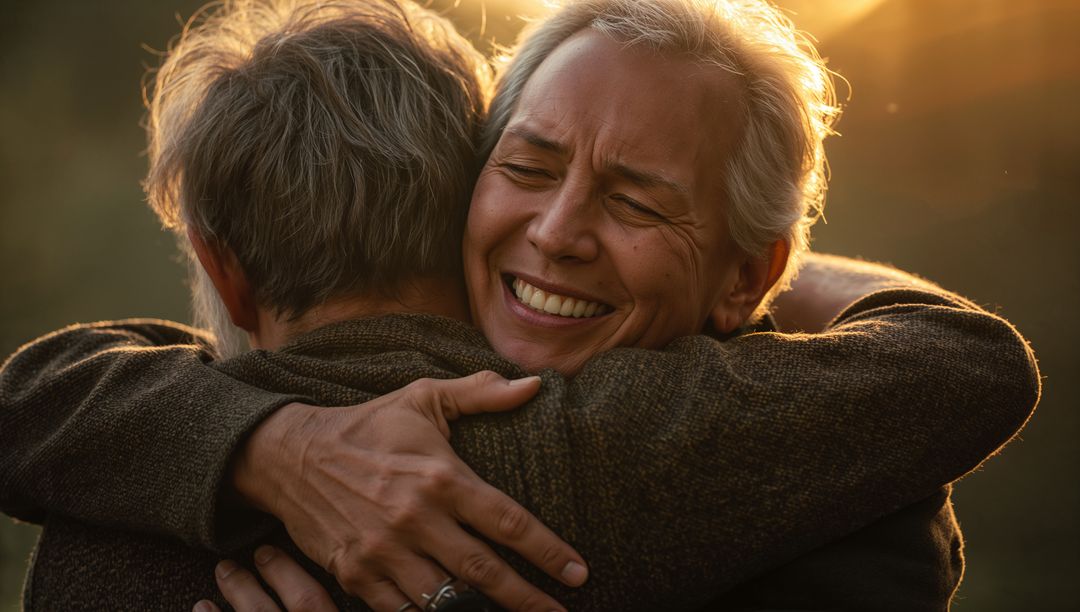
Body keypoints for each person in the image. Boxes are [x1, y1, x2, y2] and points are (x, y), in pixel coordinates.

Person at [0, 0, 1038, 610]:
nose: (555, 234)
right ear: (463, 186)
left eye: (638, 202)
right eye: (531, 168)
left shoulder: (99, 508)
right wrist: (271, 445)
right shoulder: (640, 445)